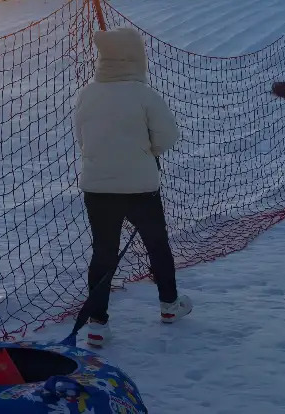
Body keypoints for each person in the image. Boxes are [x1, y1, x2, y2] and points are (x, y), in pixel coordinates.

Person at [73, 27, 191, 349]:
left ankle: (97, 324)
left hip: (97, 189)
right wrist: (143, 151)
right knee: (157, 245)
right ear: (135, 58)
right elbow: (167, 137)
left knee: (103, 251)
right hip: (141, 188)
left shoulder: (87, 93)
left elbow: (81, 136)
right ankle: (169, 305)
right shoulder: (145, 94)